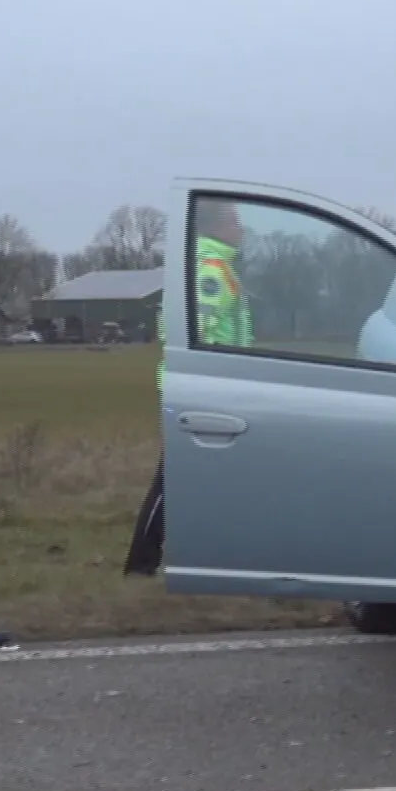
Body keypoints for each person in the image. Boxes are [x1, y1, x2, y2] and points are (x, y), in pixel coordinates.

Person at [124, 198, 253, 577]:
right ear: (215, 227)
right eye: (235, 221)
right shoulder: (210, 270)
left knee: (205, 479)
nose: (241, 229)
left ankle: (215, 560)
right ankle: (141, 566)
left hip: (213, 385)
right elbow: (204, 334)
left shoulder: (211, 265)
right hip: (210, 389)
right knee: (174, 477)